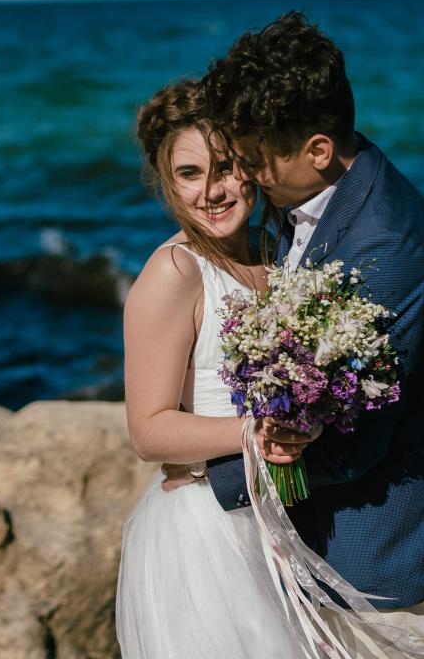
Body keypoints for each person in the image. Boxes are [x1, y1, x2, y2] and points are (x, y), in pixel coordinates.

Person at [161, 10, 424, 657]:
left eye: (254, 162)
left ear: (319, 149)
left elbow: (355, 441)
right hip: (314, 544)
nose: (243, 177)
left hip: (382, 553)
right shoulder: (332, 180)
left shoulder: (387, 253)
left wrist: (212, 487)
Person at [114, 80, 316, 658]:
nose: (212, 191)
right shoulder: (174, 272)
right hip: (207, 534)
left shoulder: (272, 256)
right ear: (166, 180)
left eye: (225, 167)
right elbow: (149, 430)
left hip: (276, 517)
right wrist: (257, 432)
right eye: (189, 174)